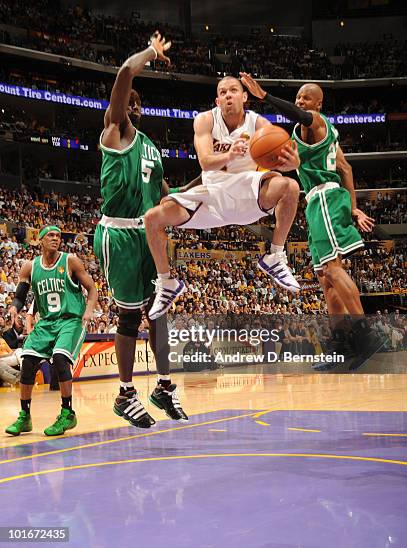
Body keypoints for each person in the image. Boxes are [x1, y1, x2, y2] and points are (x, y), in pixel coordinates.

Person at [239, 74, 382, 370]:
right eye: (298, 98)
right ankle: (341, 343)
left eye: (306, 98)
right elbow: (345, 166)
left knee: (333, 268)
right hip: (318, 201)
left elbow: (304, 121)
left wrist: (264, 96)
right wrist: (354, 208)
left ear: (318, 103)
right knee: (325, 280)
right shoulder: (318, 137)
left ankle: (365, 335)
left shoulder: (314, 120)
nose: (300, 102)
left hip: (326, 198)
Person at [93, 32, 194, 428]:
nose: (131, 103)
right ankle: (125, 394)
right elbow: (123, 72)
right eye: (126, 99)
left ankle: (164, 387)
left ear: (143, 107)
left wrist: (211, 187)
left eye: (136, 100)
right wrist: (151, 54)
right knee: (129, 317)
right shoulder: (114, 133)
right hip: (118, 233)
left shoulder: (153, 146)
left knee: (161, 311)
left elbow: (168, 195)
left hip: (147, 234)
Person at [144, 75, 302, 321]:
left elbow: (284, 155)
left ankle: (275, 255)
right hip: (212, 195)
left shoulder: (259, 124)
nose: (228, 95)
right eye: (223, 92)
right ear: (217, 100)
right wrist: (229, 155)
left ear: (244, 96)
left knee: (290, 187)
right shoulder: (205, 120)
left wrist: (294, 163)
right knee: (152, 218)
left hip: (248, 191)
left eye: (233, 90)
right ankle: (167, 283)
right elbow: (205, 161)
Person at [5, 225, 97, 436]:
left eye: (58, 236)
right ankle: (25, 416)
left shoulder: (70, 261)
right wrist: (14, 308)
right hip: (46, 322)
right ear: (41, 240)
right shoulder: (30, 267)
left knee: (60, 358)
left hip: (71, 320)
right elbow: (20, 296)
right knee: (27, 361)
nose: (56, 239)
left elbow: (92, 288)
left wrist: (89, 311)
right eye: (51, 235)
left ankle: (67, 413)